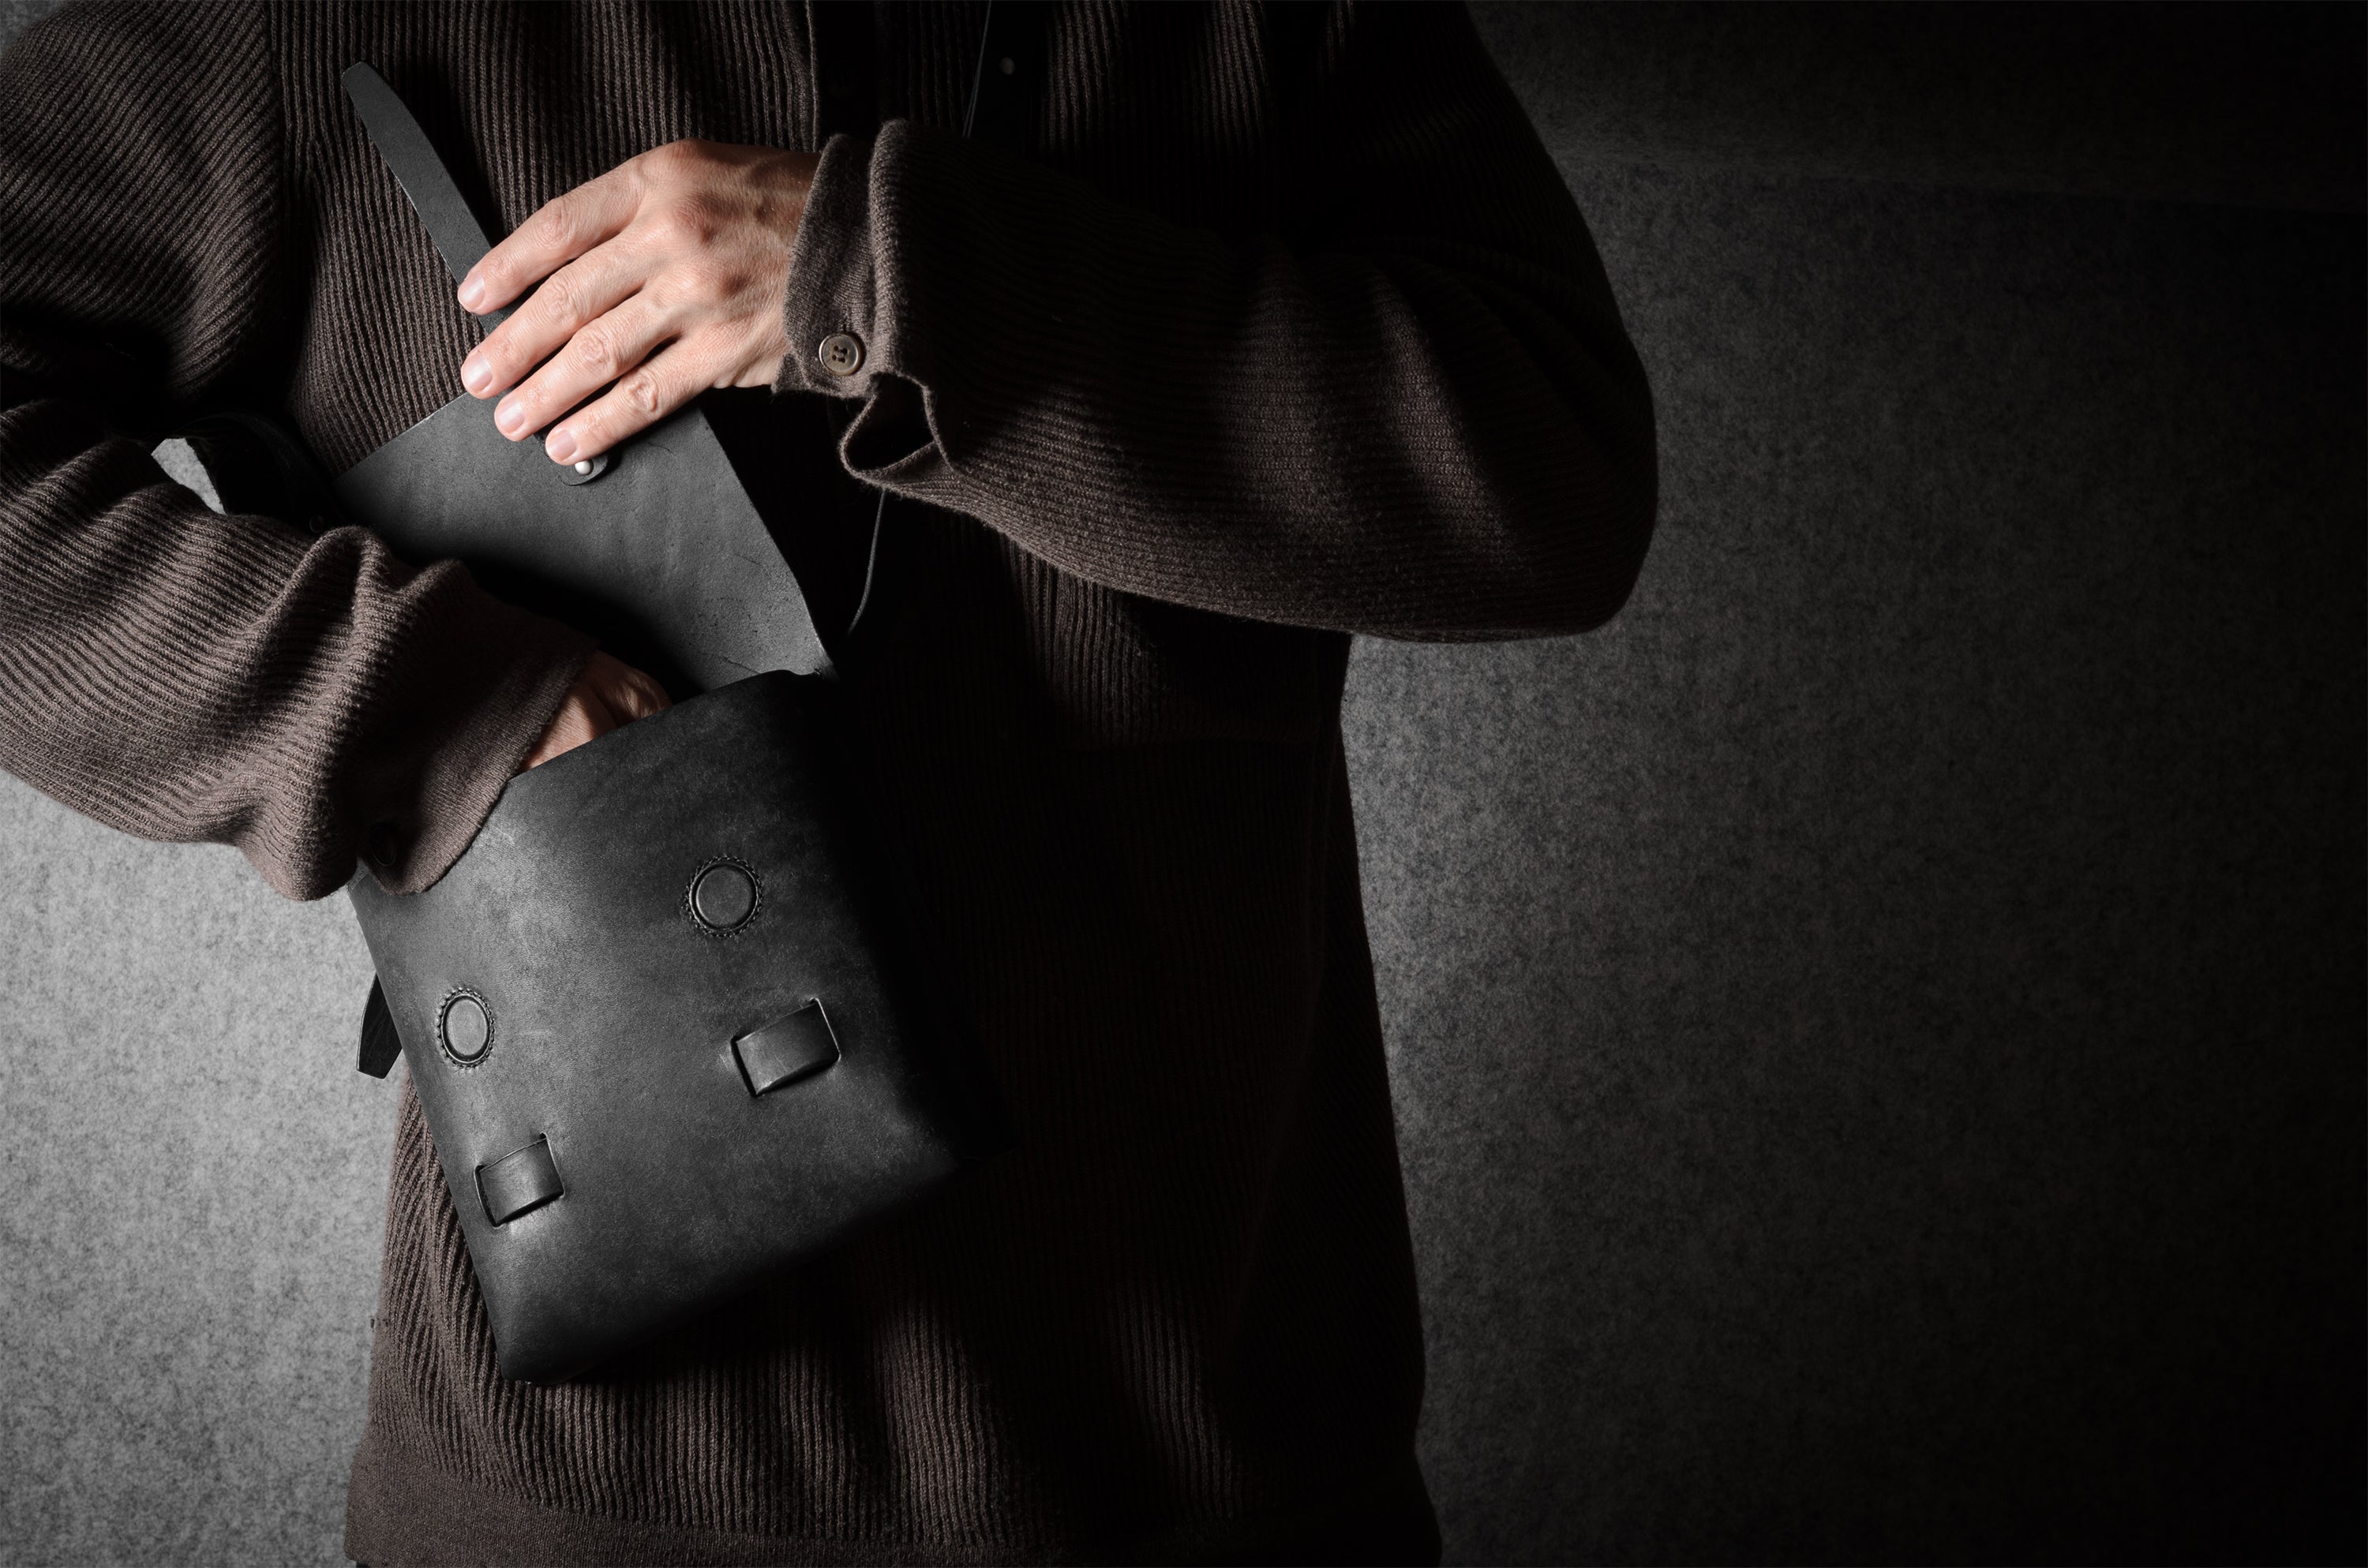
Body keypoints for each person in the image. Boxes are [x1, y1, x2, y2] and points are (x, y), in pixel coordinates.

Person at [0, 2, 1655, 1562]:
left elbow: (1560, 477)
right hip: (593, 1493)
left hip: (1223, 1470)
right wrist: (433, 712)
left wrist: (872, 262)